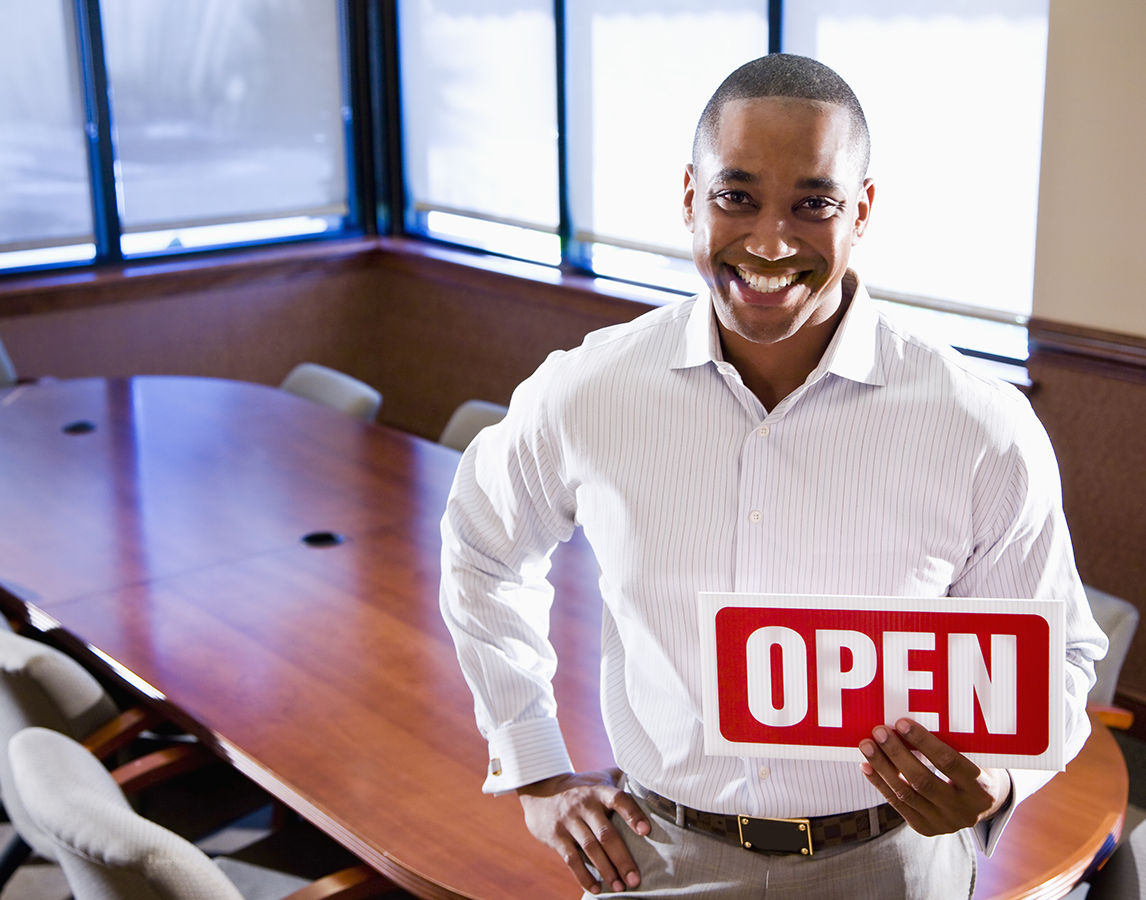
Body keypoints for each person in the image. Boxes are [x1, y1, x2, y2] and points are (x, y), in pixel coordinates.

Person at [440, 54, 1106, 899]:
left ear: (860, 213)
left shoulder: (978, 426)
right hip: (657, 856)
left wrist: (1000, 778)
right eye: (737, 196)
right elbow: (483, 550)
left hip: (890, 866)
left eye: (813, 205)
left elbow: (1061, 657)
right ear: (690, 197)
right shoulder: (589, 391)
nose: (769, 242)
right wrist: (534, 769)